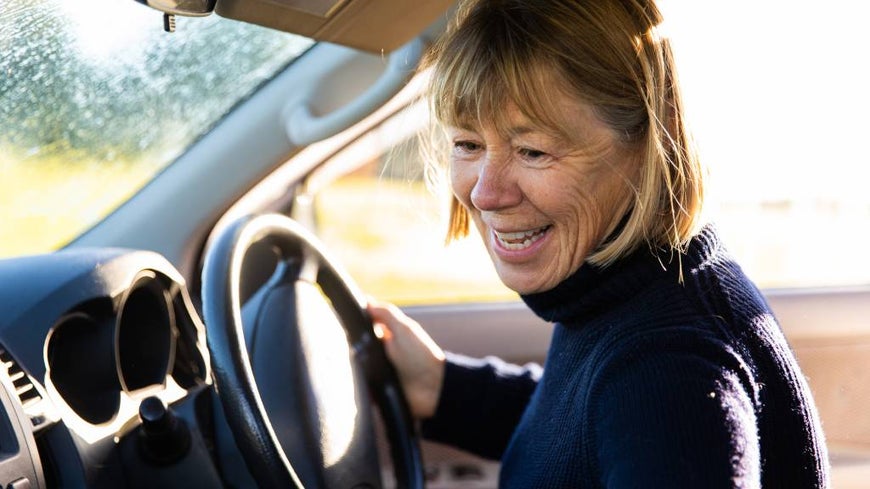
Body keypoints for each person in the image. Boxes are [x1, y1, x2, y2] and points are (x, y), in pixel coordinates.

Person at [368, 0, 829, 487]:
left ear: (648, 144)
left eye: (533, 150)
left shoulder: (670, 367)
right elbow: (580, 434)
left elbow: (652, 414)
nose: (485, 193)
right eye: (468, 144)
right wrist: (443, 389)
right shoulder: (630, 289)